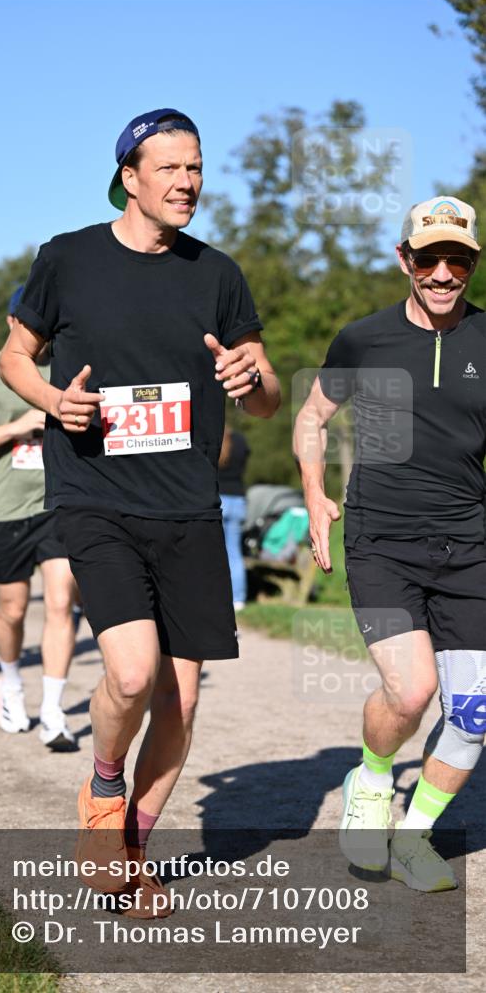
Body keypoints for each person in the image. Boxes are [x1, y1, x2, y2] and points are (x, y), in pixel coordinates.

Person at [0, 108, 280, 916]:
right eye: (169, 168)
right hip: (95, 497)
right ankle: (101, 790)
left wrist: (248, 379)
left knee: (182, 700)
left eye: (195, 167)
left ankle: (131, 851)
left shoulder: (218, 274)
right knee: (131, 671)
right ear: (130, 177)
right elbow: (15, 356)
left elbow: (263, 397)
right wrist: (58, 401)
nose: (188, 181)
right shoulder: (68, 258)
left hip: (188, 507)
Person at [293, 196, 485, 892]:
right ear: (404, 259)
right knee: (410, 694)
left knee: (473, 714)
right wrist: (314, 494)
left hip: (469, 545)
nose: (441, 273)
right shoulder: (362, 339)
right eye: (428, 258)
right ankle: (371, 777)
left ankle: (413, 837)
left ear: (470, 265)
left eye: (456, 260)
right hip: (380, 540)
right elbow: (311, 418)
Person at [0, 288, 79, 748]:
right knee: (12, 610)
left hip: (57, 504)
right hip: (7, 510)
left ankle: (53, 711)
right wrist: (17, 427)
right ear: (12, 323)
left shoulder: (69, 364)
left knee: (61, 601)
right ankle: (10, 680)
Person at [218, 425, 250, 610]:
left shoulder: (211, 439)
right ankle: (238, 598)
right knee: (234, 552)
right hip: (237, 500)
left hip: (217, 499)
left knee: (214, 551)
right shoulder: (240, 440)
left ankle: (217, 594)